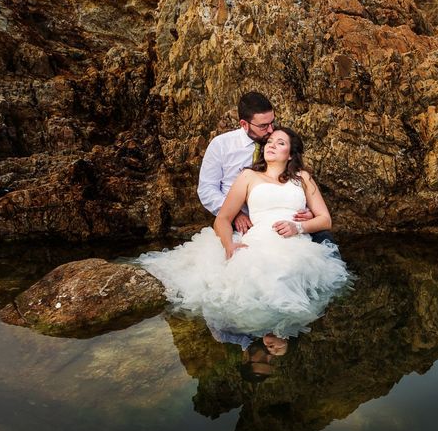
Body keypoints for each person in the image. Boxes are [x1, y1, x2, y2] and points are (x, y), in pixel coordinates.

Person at [139, 127, 350, 338]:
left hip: (295, 241)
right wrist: (229, 245)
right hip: (258, 240)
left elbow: (325, 220)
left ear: (291, 154)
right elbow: (222, 219)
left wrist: (299, 227)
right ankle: (263, 332)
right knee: (250, 282)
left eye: (280, 143)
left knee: (288, 275)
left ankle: (279, 332)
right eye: (270, 142)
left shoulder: (302, 178)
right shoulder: (249, 176)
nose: (272, 145)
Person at [198, 92, 335, 245]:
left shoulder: (275, 141)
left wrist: (307, 214)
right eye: (264, 126)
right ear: (244, 124)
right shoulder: (222, 145)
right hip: (242, 220)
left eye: (272, 122)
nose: (270, 130)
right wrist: (235, 213)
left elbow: (293, 184)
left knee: (325, 241)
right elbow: (207, 189)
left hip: (289, 222)